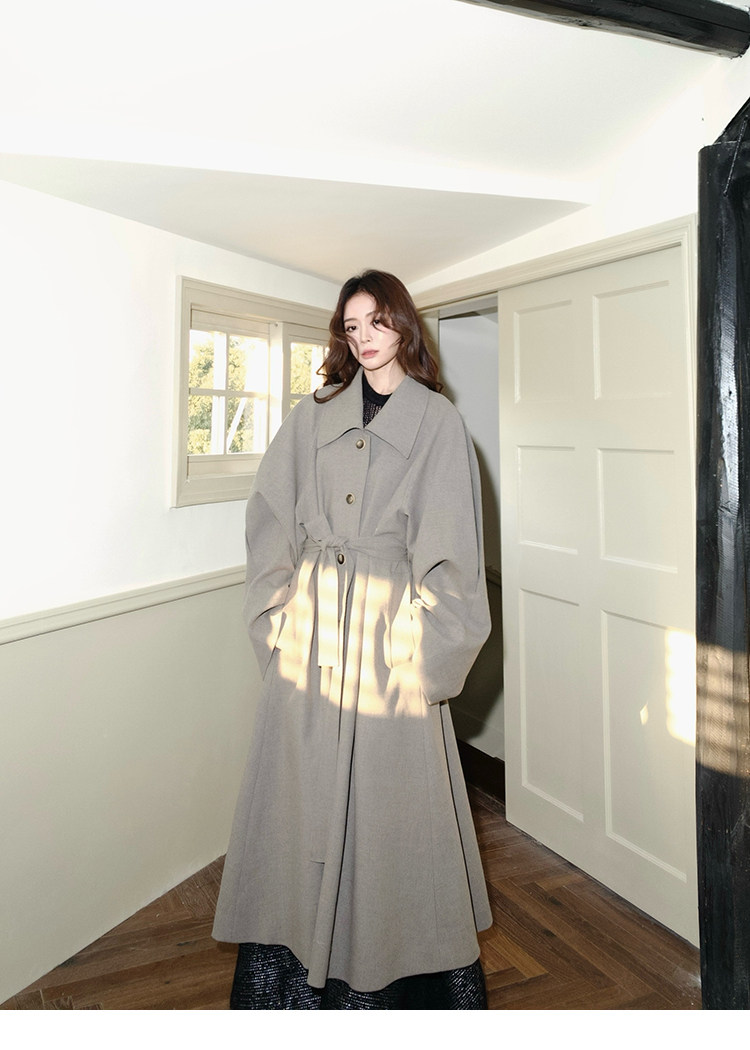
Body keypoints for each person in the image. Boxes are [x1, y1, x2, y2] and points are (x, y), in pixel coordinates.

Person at [212, 270, 493, 1009]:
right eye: (352, 325)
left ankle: (390, 983)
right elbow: (269, 520)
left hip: (389, 646)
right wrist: (274, 624)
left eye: (378, 321)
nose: (365, 337)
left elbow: (455, 557)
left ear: (404, 325)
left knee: (391, 822)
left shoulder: (437, 423)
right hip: (308, 644)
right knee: (296, 810)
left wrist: (424, 662)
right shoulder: (311, 417)